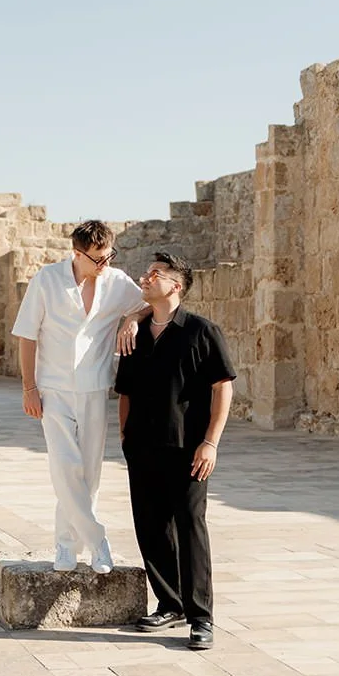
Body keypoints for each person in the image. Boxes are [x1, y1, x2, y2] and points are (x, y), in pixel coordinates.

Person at [115, 251, 236, 651]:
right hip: (142, 448)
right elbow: (125, 392)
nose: (145, 278)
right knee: (150, 527)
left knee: (190, 529)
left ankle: (201, 618)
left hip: (189, 450)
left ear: (176, 286)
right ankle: (170, 603)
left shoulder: (202, 331)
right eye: (146, 273)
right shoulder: (134, 333)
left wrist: (211, 442)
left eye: (155, 274)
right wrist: (124, 437)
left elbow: (222, 387)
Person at [12, 220, 148, 573]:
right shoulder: (47, 280)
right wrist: (30, 388)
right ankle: (98, 542)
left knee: (89, 471)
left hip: (94, 387)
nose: (104, 265)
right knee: (65, 466)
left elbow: (146, 304)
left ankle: (66, 546)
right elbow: (27, 336)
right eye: (98, 259)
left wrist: (130, 320)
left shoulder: (116, 282)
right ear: (77, 253)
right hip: (53, 388)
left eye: (109, 257)